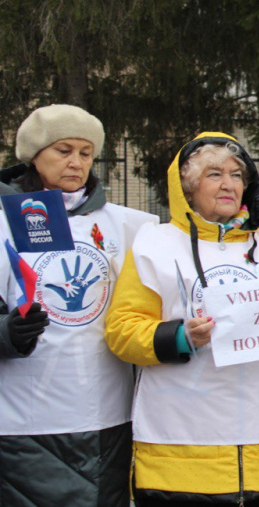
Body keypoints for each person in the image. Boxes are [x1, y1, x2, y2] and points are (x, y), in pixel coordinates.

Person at [104, 132, 259, 506]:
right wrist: (180, 337)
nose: (229, 184)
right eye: (214, 174)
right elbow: (121, 331)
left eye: (236, 174)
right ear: (188, 188)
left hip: (258, 441)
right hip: (180, 444)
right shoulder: (154, 244)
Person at [0, 104, 157, 506]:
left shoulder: (129, 225)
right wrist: (6, 333)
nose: (76, 162)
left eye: (86, 153)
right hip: (23, 418)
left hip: (108, 413)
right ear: (35, 155)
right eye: (63, 150)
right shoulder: (2, 221)